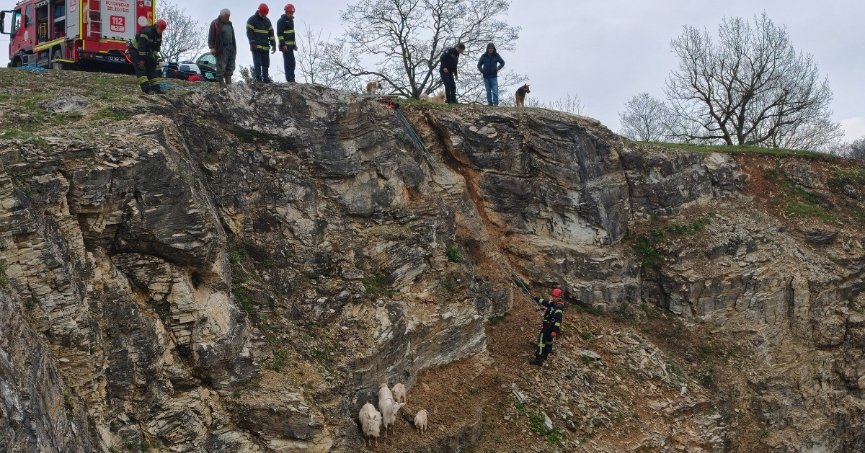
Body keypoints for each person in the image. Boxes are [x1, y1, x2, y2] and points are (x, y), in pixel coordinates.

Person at [529, 288, 565, 366]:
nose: (553, 298)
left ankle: (538, 359)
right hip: (549, 326)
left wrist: (555, 331)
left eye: (555, 297)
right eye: (553, 296)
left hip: (549, 326)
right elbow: (546, 302)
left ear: (559, 297)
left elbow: (558, 320)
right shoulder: (554, 303)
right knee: (548, 341)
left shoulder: (559, 306)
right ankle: (544, 356)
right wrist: (536, 298)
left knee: (541, 340)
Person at [129, 19, 167, 94]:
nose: (161, 31)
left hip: (147, 52)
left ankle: (156, 89)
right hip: (136, 50)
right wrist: (142, 60)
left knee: (152, 68)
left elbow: (156, 48)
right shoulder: (146, 32)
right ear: (156, 26)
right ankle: (147, 90)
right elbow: (141, 47)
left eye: (163, 30)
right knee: (141, 69)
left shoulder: (159, 35)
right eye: (160, 29)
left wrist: (155, 58)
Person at [246, 3, 277, 83]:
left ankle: (266, 79)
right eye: (263, 14)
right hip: (256, 46)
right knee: (257, 63)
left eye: (265, 14)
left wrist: (273, 44)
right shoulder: (252, 20)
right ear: (259, 11)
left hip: (265, 46)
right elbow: (249, 32)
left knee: (266, 64)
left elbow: (271, 33)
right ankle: (258, 79)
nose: (264, 16)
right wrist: (252, 42)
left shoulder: (267, 21)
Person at [208, 8, 237, 88]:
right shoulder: (215, 23)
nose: (228, 18)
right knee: (221, 66)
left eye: (229, 17)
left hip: (230, 47)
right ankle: (221, 83)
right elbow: (211, 36)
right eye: (226, 17)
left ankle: (228, 82)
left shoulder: (229, 24)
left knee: (230, 65)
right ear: (221, 16)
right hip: (221, 48)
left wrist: (234, 47)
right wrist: (212, 47)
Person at [276, 4, 297, 82]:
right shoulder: (281, 21)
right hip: (285, 47)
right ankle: (289, 79)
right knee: (288, 63)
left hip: (291, 46)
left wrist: (294, 44)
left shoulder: (291, 21)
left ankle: (293, 78)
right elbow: (280, 34)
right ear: (287, 12)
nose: (292, 14)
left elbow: (292, 34)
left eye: (292, 13)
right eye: (290, 13)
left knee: (293, 63)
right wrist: (283, 44)